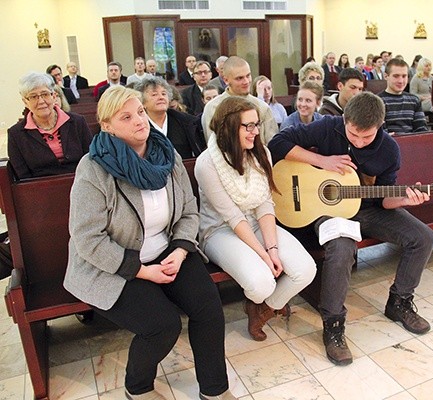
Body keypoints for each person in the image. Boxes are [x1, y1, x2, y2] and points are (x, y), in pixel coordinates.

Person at [63, 86, 236, 400]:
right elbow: (88, 240)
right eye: (126, 117)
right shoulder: (94, 168)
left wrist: (182, 249)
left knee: (208, 308)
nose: (139, 120)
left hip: (167, 250)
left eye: (140, 112)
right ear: (107, 126)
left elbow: (187, 209)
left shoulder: (165, 153)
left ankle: (215, 390)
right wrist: (142, 271)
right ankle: (138, 387)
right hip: (113, 264)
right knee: (162, 325)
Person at [268, 91, 433, 366]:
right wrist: (321, 161)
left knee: (423, 237)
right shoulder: (327, 127)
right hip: (328, 211)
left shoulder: (389, 150)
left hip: (368, 209)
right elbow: (277, 143)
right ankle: (333, 324)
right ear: (345, 119)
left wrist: (405, 198)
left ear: (380, 126)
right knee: (343, 246)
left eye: (365, 137)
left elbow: (385, 198)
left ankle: (400, 302)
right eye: (353, 134)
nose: (357, 141)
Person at [195, 96, 316, 341]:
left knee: (305, 270)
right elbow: (232, 215)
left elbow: (264, 204)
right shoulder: (206, 163)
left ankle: (262, 309)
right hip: (219, 230)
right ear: (228, 127)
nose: (255, 131)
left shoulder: (261, 153)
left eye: (257, 124)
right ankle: (262, 299)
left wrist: (272, 249)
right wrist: (263, 256)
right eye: (248, 126)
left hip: (256, 222)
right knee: (262, 282)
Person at [8, 72, 92, 180]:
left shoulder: (77, 122)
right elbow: (22, 176)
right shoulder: (16, 134)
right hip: (39, 191)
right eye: (33, 97)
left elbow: (90, 159)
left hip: (82, 184)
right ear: (25, 102)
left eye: (45, 94)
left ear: (54, 96)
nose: (41, 101)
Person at [201, 56, 278, 144]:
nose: (246, 81)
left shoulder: (262, 107)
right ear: (226, 80)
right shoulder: (213, 108)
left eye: (248, 76)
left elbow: (272, 143)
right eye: (239, 78)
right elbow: (213, 145)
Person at [136, 77, 206, 158]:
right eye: (154, 94)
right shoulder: (138, 125)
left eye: (163, 94)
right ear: (142, 102)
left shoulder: (186, 122)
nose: (161, 97)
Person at [378, 58, 428, 135]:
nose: (401, 81)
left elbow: (421, 129)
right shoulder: (378, 101)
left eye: (404, 76)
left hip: (413, 143)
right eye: (396, 76)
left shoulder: (414, 100)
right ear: (386, 76)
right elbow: (381, 132)